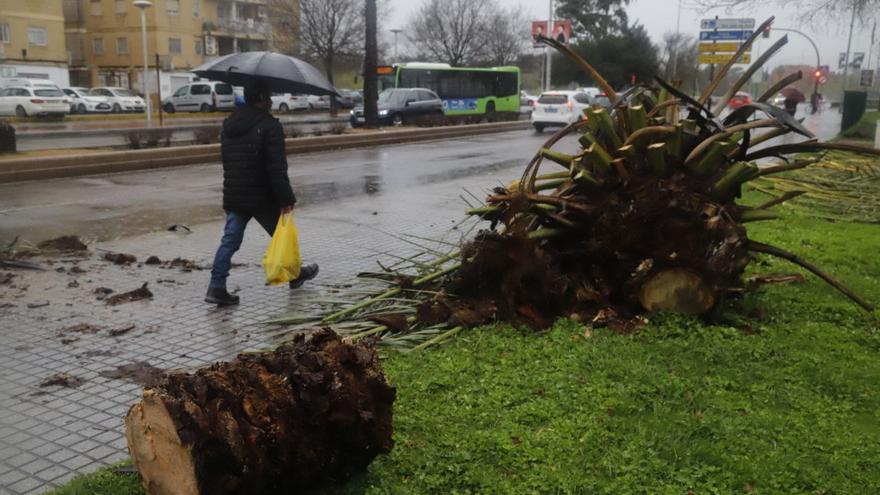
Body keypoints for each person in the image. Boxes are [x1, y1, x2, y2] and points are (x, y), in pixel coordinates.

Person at [206, 80, 319, 306]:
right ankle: (296, 275)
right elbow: (276, 167)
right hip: (262, 197)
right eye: (267, 97)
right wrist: (286, 198)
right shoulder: (270, 126)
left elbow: (227, 161)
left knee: (230, 240)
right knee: (282, 235)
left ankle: (216, 286)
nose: (270, 101)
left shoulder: (229, 125)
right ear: (260, 98)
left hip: (236, 194)